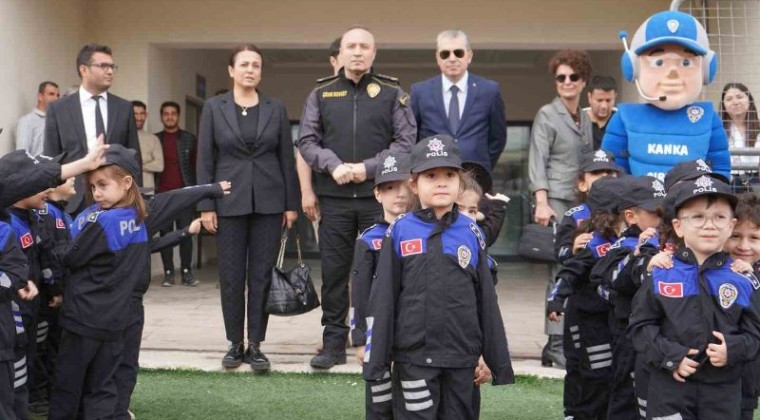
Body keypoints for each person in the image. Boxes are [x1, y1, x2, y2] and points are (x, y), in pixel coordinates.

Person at [362, 135, 514, 419]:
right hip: (414, 359)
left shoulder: (472, 234)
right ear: (414, 184)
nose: (441, 182)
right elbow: (383, 298)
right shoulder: (400, 231)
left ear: (460, 184)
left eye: (449, 175)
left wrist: (491, 357)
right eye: (431, 175)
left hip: (462, 359)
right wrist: (377, 360)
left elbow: (486, 302)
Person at [297, 26, 416, 369]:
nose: (358, 52)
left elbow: (405, 143)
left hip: (375, 198)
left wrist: (367, 168)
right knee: (334, 273)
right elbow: (306, 141)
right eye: (352, 46)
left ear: (374, 54)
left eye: (365, 46)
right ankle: (333, 343)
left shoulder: (393, 92)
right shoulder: (321, 93)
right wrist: (332, 166)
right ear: (341, 53)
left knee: (382, 270)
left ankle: (382, 340)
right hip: (333, 199)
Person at [197, 44, 300, 372]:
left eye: (256, 65)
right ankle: (234, 343)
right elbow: (205, 159)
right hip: (227, 202)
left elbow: (286, 157)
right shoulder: (214, 107)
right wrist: (205, 204)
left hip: (270, 202)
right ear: (231, 70)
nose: (250, 70)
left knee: (261, 276)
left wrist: (290, 204)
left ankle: (256, 344)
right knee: (230, 276)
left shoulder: (276, 107)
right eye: (244, 64)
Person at [629, 176, 760, 419]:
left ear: (731, 225)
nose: (709, 225)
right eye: (698, 217)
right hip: (669, 387)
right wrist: (670, 356)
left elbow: (755, 334)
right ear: (678, 226)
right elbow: (640, 326)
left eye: (719, 217)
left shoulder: (743, 280)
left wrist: (734, 349)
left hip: (723, 391)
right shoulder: (661, 274)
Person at [47, 145, 148, 420]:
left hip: (83, 318)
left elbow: (70, 257)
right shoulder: (137, 219)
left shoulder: (105, 221)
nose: (96, 193)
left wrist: (53, 246)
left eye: (102, 185)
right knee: (102, 386)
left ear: (127, 183)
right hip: (115, 321)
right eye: (92, 187)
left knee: (68, 384)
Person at [602, 10, 731, 181]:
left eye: (686, 62)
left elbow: (720, 169)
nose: (672, 73)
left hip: (690, 205)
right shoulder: (624, 118)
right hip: (640, 205)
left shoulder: (707, 119)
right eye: (659, 62)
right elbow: (610, 171)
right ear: (632, 67)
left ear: (707, 69)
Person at [528, 49, 594, 370]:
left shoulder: (585, 116)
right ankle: (555, 345)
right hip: (554, 200)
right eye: (561, 77)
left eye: (574, 77)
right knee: (559, 271)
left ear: (583, 82)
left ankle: (565, 341)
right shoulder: (546, 114)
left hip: (583, 203)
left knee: (580, 268)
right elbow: (537, 159)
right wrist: (541, 200)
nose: (567, 82)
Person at [547, 176, 628, 420]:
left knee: (611, 373)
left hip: (614, 319)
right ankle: (576, 413)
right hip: (587, 315)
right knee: (587, 370)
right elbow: (567, 270)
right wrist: (556, 301)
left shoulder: (631, 241)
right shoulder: (593, 242)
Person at [589, 176, 664, 420]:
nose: (661, 220)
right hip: (628, 333)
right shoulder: (626, 244)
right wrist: (642, 253)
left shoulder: (669, 240)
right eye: (655, 212)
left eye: (666, 211)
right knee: (626, 394)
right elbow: (607, 279)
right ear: (631, 216)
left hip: (658, 332)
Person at [350, 150, 412, 420]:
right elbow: (359, 294)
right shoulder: (369, 240)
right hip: (378, 337)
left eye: (403, 186)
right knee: (379, 403)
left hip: (414, 336)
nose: (398, 194)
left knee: (414, 404)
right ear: (377, 194)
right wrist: (361, 341)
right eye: (389, 188)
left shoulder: (422, 235)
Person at [43, 44, 142, 215]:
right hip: (72, 200)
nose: (110, 71)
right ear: (84, 69)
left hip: (117, 201)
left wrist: (134, 199)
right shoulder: (59, 109)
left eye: (112, 66)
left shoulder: (123, 108)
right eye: (103, 66)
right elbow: (51, 157)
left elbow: (133, 156)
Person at [410, 30, 507, 173]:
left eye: (458, 53)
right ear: (437, 58)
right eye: (445, 54)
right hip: (433, 175)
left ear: (469, 56)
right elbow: (412, 136)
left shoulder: (489, 90)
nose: (452, 58)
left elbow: (498, 139)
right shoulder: (420, 91)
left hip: (475, 177)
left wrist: (482, 166)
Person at [298, 36, 343, 225]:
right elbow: (304, 147)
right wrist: (307, 191)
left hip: (370, 196)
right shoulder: (319, 96)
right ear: (333, 60)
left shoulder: (377, 95)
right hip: (328, 194)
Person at [723, 193, 760, 420]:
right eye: (735, 236)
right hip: (718, 380)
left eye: (754, 238)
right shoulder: (712, 272)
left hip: (749, 379)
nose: (744, 246)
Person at [155, 101, 198, 286]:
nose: (170, 116)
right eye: (166, 113)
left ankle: (187, 272)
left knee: (186, 234)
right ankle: (168, 273)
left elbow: (196, 167)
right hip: (162, 196)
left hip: (184, 196)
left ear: (178, 116)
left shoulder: (189, 138)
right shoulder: (156, 139)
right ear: (161, 116)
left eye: (173, 113)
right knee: (165, 237)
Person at [720, 82, 760, 190]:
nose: (735, 102)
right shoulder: (718, 130)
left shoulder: (758, 127)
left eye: (739, 97)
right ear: (723, 105)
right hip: (729, 182)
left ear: (749, 100)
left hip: (757, 181)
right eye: (729, 99)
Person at [16, 82, 60, 156]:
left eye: (58, 95)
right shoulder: (27, 121)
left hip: (56, 166)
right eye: (51, 94)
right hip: (36, 166)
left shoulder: (58, 121)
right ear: (40, 96)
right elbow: (22, 154)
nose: (56, 98)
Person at [132, 100, 164, 192]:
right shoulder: (121, 136)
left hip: (147, 191)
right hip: (125, 191)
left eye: (142, 113)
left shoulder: (153, 139)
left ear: (146, 115)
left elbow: (159, 166)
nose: (139, 117)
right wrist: (147, 161)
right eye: (135, 113)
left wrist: (136, 165)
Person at [583, 76, 617, 150]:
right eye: (599, 100)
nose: (604, 106)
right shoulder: (578, 121)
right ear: (589, 97)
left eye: (608, 100)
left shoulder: (621, 121)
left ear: (615, 97)